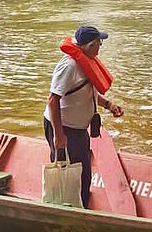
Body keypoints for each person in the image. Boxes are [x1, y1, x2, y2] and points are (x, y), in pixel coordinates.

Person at [43, 25, 123, 209]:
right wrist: (59, 135)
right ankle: (64, 208)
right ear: (88, 45)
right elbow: (53, 100)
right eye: (98, 43)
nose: (100, 46)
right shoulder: (69, 66)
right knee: (67, 172)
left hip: (78, 129)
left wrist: (108, 105)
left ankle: (82, 207)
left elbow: (87, 92)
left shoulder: (87, 61)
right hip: (64, 127)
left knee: (84, 172)